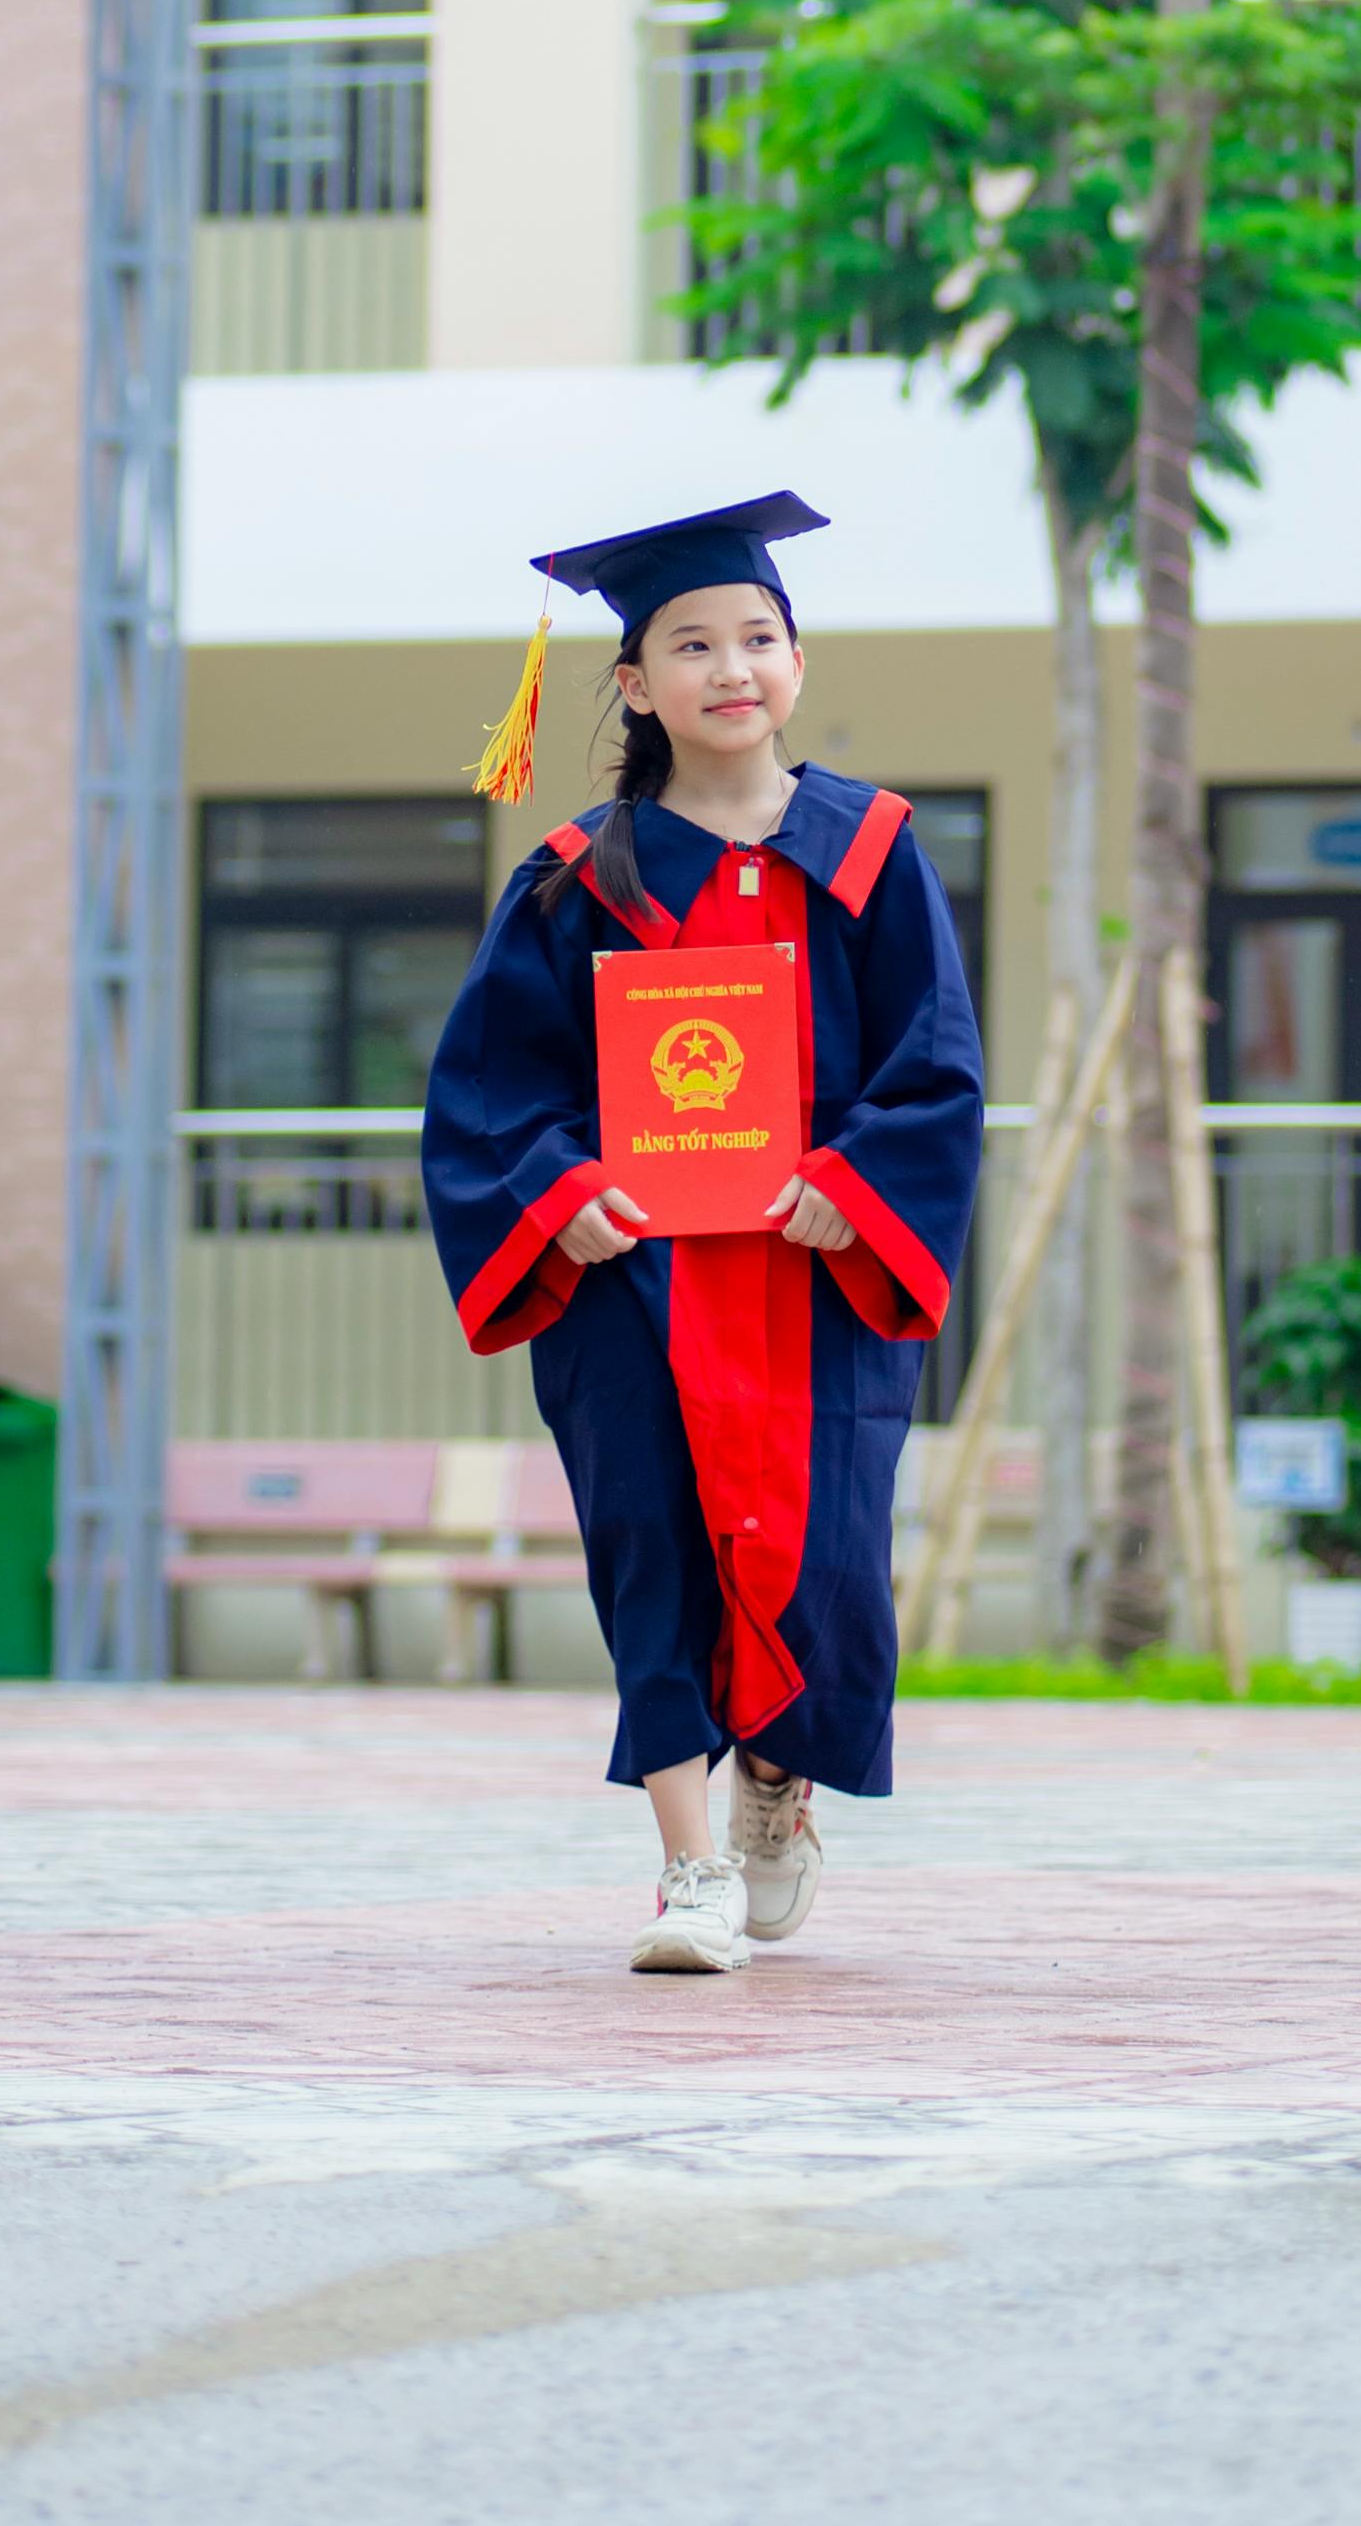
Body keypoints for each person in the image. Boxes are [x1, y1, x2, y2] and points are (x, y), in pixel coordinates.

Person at [423, 493, 985, 1973]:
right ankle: (688, 1873)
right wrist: (562, 1195)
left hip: (809, 1275)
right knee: (652, 1547)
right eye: (691, 642)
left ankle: (777, 1791)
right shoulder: (579, 874)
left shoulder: (869, 850)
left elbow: (934, 1065)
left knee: (830, 1563)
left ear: (796, 661)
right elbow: (494, 1083)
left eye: (757, 636)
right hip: (635, 1281)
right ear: (635, 682)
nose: (730, 666)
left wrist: (855, 1184)